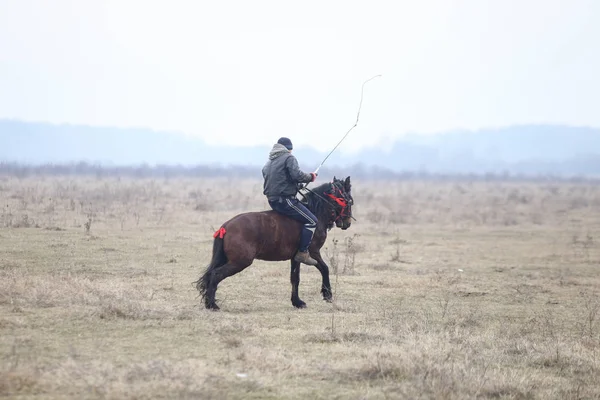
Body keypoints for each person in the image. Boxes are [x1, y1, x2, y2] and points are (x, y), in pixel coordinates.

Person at [262, 137, 319, 266]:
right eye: (291, 150)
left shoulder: (269, 162)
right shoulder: (289, 158)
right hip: (285, 201)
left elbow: (280, 181)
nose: (291, 152)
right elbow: (297, 175)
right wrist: (311, 177)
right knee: (312, 221)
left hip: (273, 200)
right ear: (288, 149)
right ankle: (303, 253)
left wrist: (296, 187)